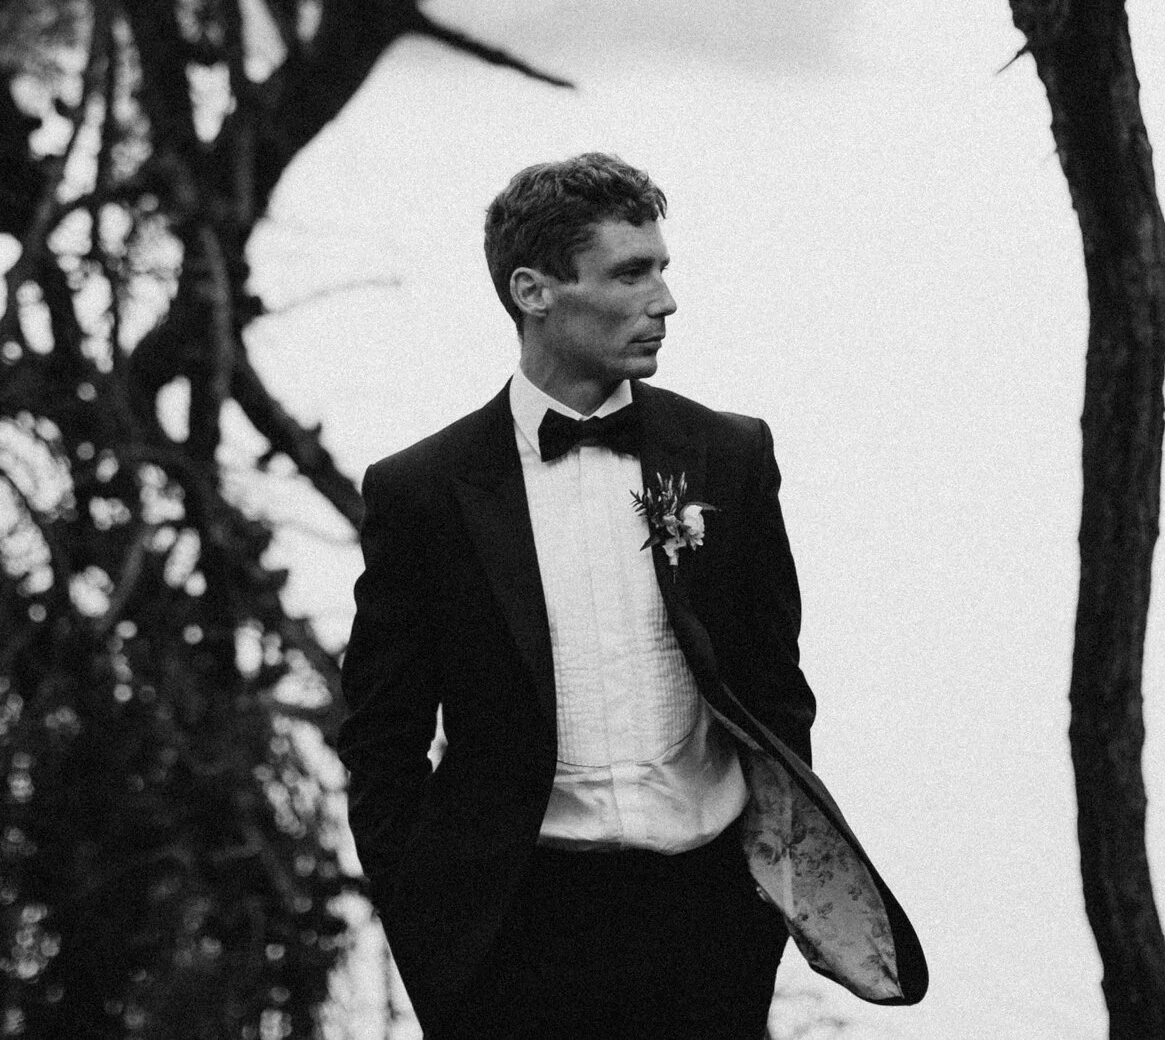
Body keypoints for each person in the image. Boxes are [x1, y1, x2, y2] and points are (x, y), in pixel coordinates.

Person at [340, 153, 926, 1038]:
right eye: (630, 272)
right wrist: (430, 921)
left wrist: (755, 910)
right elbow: (382, 739)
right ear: (534, 290)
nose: (665, 300)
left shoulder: (727, 456)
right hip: (518, 926)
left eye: (663, 268)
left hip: (709, 919)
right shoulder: (423, 491)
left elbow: (773, 688)